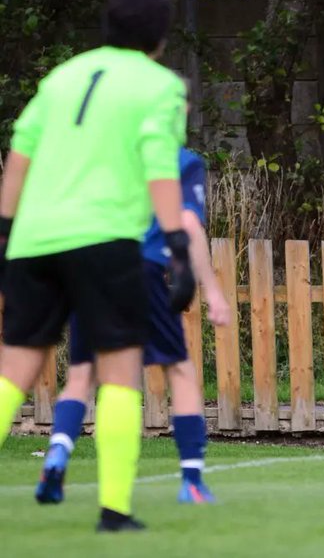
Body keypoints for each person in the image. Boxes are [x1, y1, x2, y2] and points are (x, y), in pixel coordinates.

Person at [0, 0, 195, 532]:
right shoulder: (160, 86)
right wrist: (177, 242)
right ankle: (114, 510)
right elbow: (160, 164)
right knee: (118, 372)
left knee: (14, 367)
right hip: (105, 240)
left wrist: (4, 233)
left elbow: (19, 154)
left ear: (106, 26)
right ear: (159, 37)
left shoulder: (62, 77)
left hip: (34, 238)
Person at [35, 147, 232, 506]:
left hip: (89, 265)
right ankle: (191, 480)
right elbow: (188, 223)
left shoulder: (107, 152)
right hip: (141, 269)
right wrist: (212, 290)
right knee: (180, 370)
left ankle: (57, 453)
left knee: (82, 373)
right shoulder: (181, 160)